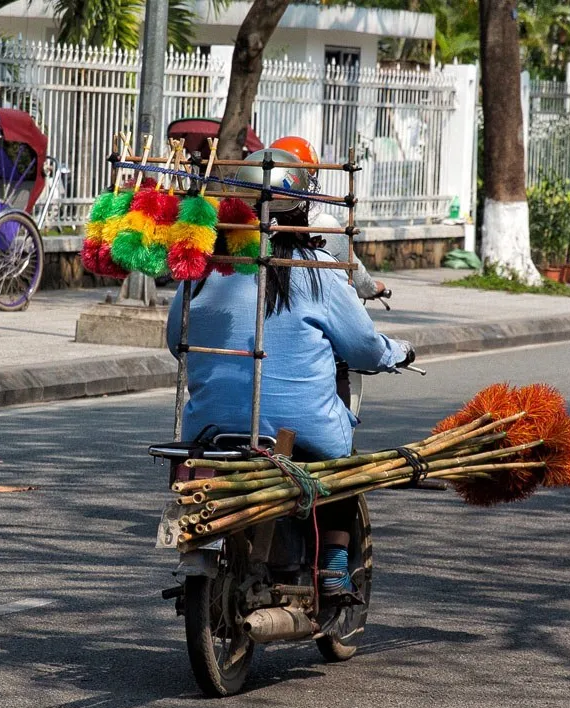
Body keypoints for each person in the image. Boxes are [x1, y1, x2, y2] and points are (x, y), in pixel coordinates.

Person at [165, 140, 414, 595]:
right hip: (300, 432)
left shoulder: (204, 268)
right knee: (342, 472)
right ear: (302, 208)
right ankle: (334, 567)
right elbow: (361, 347)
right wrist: (396, 352)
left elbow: (173, 342)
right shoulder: (317, 267)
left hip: (206, 431)